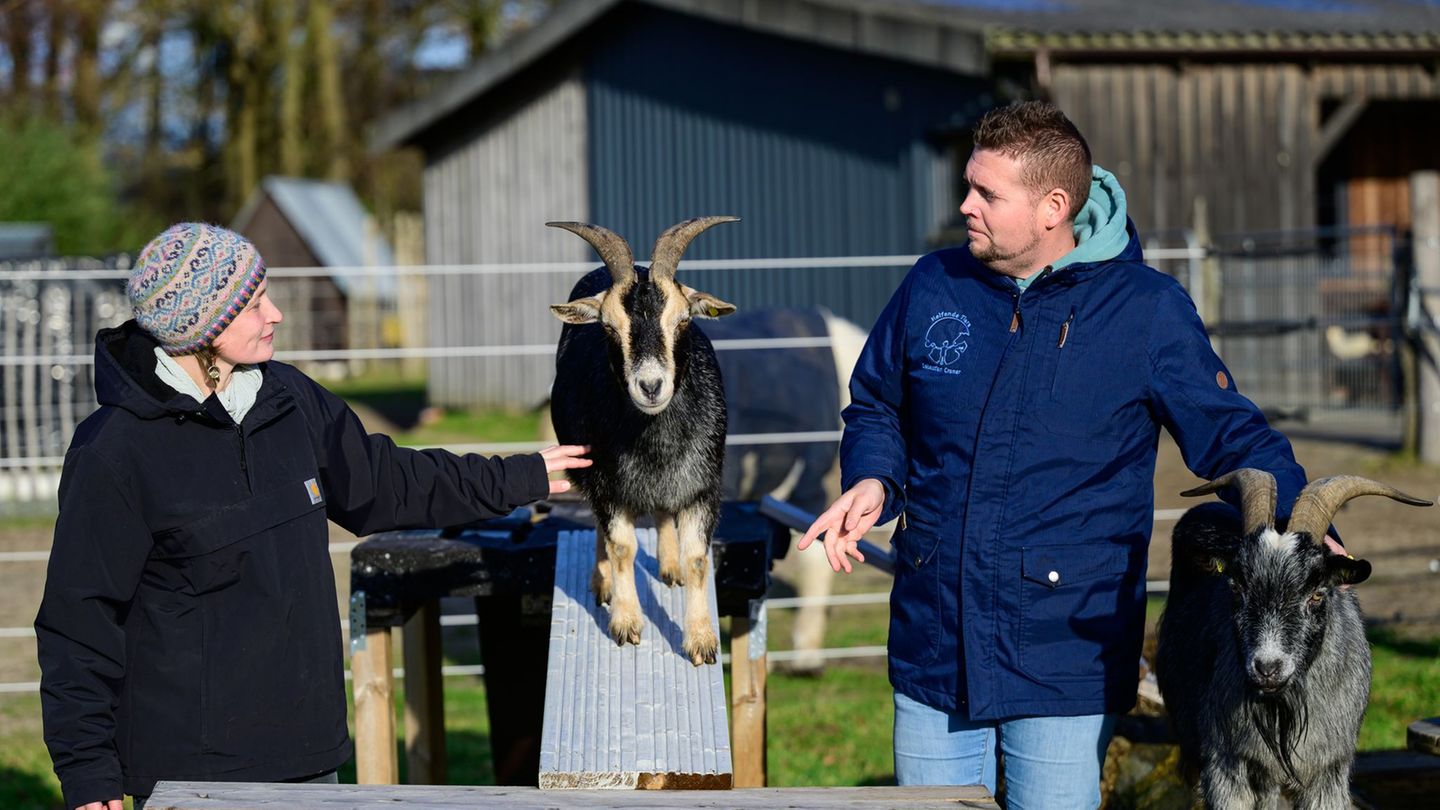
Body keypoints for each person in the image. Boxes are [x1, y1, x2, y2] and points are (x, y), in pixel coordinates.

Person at [798, 101, 1331, 807]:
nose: (964, 206)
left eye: (987, 194)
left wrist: (1305, 526)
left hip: (1065, 651)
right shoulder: (934, 285)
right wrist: (873, 477)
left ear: (1053, 207)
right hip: (934, 640)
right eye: (968, 186)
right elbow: (877, 404)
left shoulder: (1145, 311)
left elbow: (1235, 437)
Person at [35, 223, 590, 810]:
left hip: (310, 756)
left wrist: (520, 475)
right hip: (190, 776)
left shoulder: (288, 398)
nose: (274, 314)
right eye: (253, 305)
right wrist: (89, 779)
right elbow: (79, 623)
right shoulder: (114, 452)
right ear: (203, 325)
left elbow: (387, 483)